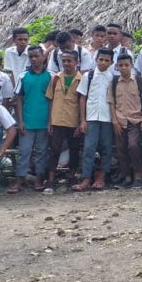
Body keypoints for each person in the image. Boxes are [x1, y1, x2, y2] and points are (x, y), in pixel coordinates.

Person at [74, 48, 116, 191]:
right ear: (96, 60)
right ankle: (86, 178)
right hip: (91, 117)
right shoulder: (89, 76)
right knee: (88, 148)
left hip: (108, 118)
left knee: (106, 148)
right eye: (101, 59)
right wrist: (82, 120)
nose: (103, 63)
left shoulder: (113, 78)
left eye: (107, 60)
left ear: (112, 62)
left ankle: (102, 177)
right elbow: (82, 98)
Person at [12, 46, 51, 193]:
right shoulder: (23, 76)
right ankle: (19, 180)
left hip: (44, 121)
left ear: (43, 57)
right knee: (24, 151)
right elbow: (19, 100)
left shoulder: (51, 76)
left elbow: (53, 100)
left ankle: (39, 179)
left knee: (41, 152)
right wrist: (20, 121)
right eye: (31, 57)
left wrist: (50, 121)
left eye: (36, 56)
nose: (34, 59)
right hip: (27, 121)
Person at [45, 50, 83, 191]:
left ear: (76, 62)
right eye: (64, 61)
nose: (66, 63)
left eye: (69, 61)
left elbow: (82, 102)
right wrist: (49, 121)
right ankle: (50, 179)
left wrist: (81, 122)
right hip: (57, 120)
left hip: (73, 120)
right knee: (54, 149)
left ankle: (71, 176)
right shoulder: (55, 78)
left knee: (74, 149)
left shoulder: (81, 79)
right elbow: (50, 100)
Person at [108, 53, 142, 189]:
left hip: (135, 120)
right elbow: (111, 102)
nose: (124, 68)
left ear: (132, 66)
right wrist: (114, 121)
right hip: (119, 120)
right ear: (116, 67)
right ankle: (126, 177)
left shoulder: (139, 81)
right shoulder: (113, 83)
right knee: (120, 149)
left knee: (133, 146)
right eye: (121, 65)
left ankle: (138, 176)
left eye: (126, 65)